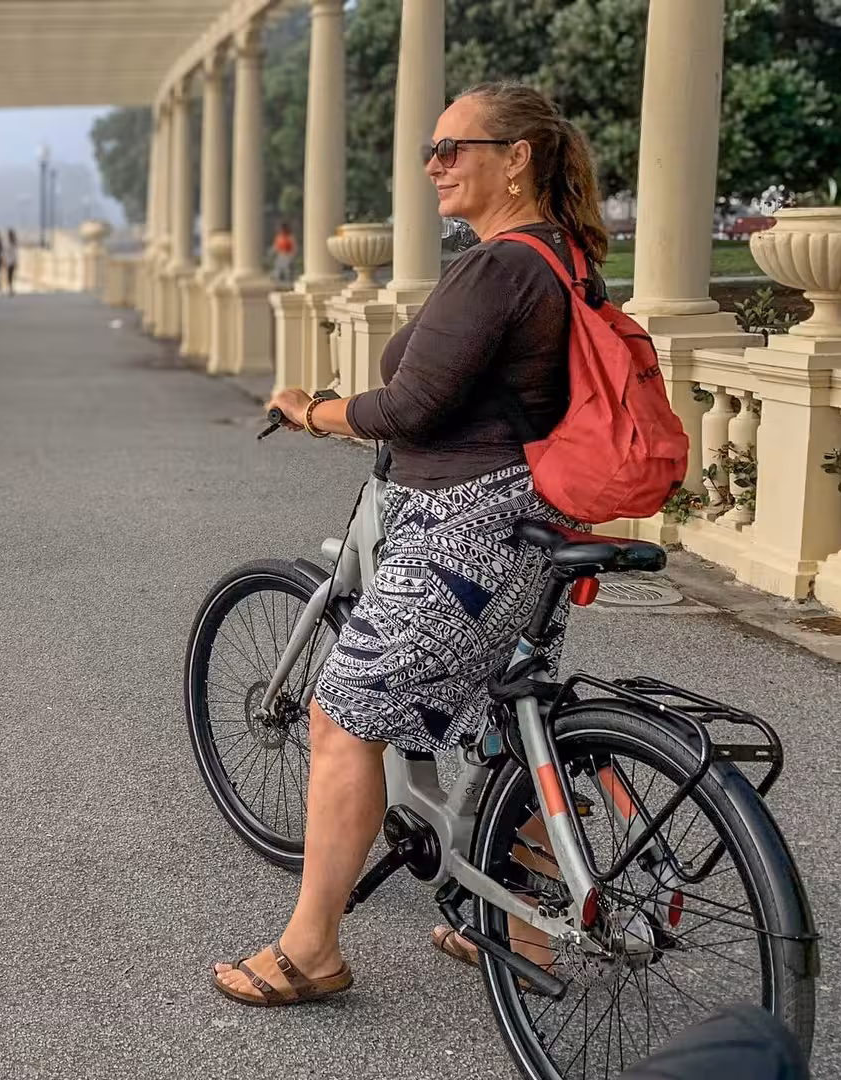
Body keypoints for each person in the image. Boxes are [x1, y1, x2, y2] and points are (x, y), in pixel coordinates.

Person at [214, 81, 607, 1005]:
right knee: (505, 719)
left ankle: (310, 951)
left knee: (341, 714)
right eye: (430, 150)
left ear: (516, 158)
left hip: (464, 525)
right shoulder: (562, 258)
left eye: (453, 149)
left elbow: (414, 407)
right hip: (528, 524)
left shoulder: (499, 267)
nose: (434, 164)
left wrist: (314, 411)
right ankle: (523, 934)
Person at [5, 229, 20, 293]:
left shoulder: (14, 243)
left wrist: (16, 261)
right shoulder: (7, 243)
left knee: (12, 275)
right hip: (9, 261)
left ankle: (12, 288)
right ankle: (10, 288)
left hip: (12, 261)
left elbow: (16, 253)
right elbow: (5, 253)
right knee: (9, 275)